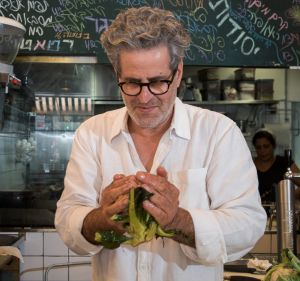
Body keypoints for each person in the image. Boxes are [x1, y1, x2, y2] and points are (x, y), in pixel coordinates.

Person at [55, 6, 266, 281]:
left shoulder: (218, 132)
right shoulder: (92, 133)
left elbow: (247, 226)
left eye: (157, 83)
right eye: (131, 83)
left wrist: (177, 219)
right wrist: (101, 218)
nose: (144, 99)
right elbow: (68, 219)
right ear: (117, 76)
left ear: (177, 74)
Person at [252, 129, 300, 204]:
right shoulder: (250, 165)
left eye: (266, 146)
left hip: (281, 212)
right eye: (258, 147)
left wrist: (290, 197)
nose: (262, 150)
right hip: (255, 212)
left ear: (273, 146)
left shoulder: (285, 163)